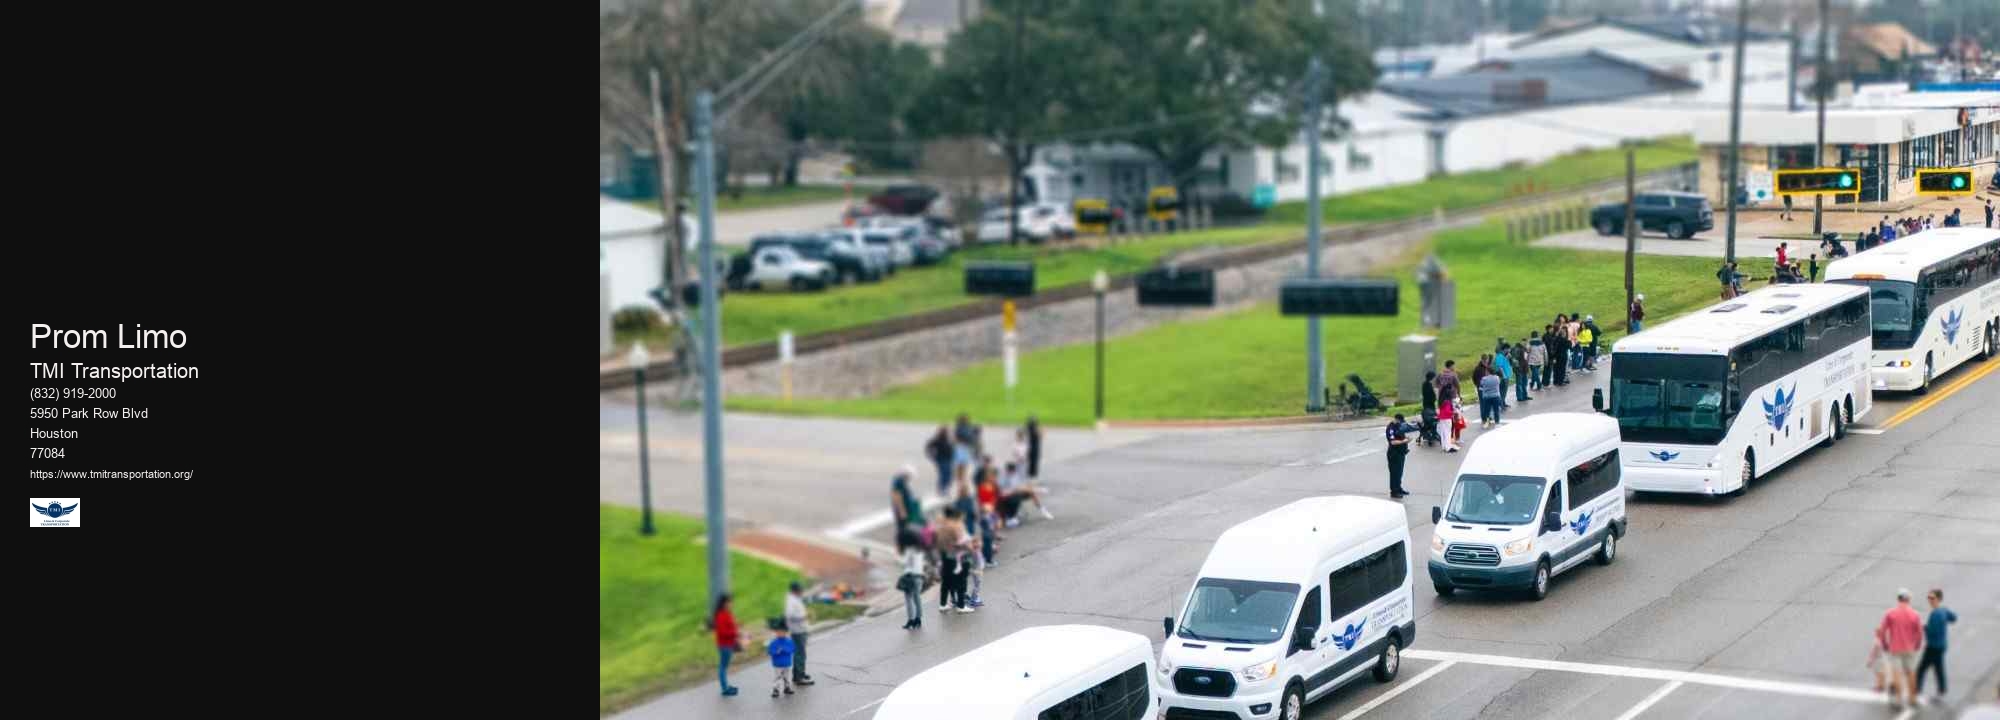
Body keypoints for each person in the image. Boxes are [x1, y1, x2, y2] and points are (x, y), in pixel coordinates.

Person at [1876, 588, 1925, 708]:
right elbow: (1919, 633)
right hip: (1909, 648)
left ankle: (1898, 699)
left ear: (1898, 599)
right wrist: (1917, 645)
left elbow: (1882, 631)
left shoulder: (1890, 613)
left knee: (1896, 673)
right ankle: (1912, 698)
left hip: (1895, 648)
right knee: (1911, 673)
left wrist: (1884, 644)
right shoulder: (1915, 614)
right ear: (1909, 599)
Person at [1917, 588, 1957, 701]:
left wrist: (1922, 627)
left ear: (1939, 599)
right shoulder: (1943, 610)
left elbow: (1932, 631)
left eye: (1932, 598)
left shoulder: (1935, 614)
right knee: (1938, 668)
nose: (1930, 600)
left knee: (1922, 668)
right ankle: (1942, 689)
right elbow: (1954, 618)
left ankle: (1917, 690)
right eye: (1928, 598)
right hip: (1942, 645)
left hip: (1933, 646)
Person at [933, 507, 972, 613]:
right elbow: (961, 541)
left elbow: (938, 542)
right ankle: (961, 605)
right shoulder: (954, 526)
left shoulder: (941, 527)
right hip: (956, 556)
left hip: (945, 556)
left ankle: (943, 604)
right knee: (961, 581)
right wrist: (970, 548)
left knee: (946, 581)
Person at [783, 581, 814, 686]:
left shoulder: (794, 599)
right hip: (797, 630)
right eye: (800, 590)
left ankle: (800, 673)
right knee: (800, 653)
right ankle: (798, 677)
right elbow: (790, 615)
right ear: (795, 590)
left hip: (800, 629)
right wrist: (803, 617)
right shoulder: (791, 601)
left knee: (801, 653)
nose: (802, 591)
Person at [711, 594, 743, 696]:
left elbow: (730, 625)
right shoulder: (721, 615)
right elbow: (722, 632)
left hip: (728, 644)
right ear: (724, 603)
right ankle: (725, 689)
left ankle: (726, 687)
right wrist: (735, 633)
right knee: (723, 667)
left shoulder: (726, 613)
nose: (731, 604)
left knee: (724, 666)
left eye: (731, 602)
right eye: (729, 602)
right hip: (725, 645)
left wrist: (737, 625)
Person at [896, 529, 926, 629]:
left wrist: (898, 556)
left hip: (910, 577)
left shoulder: (909, 550)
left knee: (909, 599)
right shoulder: (919, 550)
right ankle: (918, 619)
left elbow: (903, 563)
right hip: (919, 576)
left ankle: (911, 620)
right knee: (917, 598)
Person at [766, 620, 796, 698]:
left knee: (787, 676)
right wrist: (776, 652)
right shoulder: (773, 642)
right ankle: (776, 690)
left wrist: (785, 650)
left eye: (782, 632)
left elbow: (793, 649)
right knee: (777, 677)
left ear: (786, 632)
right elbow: (769, 651)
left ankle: (787, 688)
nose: (780, 633)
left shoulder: (789, 641)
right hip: (777, 664)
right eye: (778, 632)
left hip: (787, 663)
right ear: (776, 633)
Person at [890, 468, 923, 536]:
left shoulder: (902, 482)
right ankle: (902, 540)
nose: (910, 479)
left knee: (905, 526)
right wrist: (902, 511)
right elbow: (897, 497)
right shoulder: (898, 483)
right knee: (902, 526)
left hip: (906, 508)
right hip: (902, 510)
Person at [1384, 413, 1411, 498]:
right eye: (1400, 421)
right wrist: (1405, 441)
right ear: (1396, 419)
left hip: (1401, 453)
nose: (1401, 423)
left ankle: (1399, 488)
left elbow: (1401, 436)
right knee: (1394, 473)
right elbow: (1393, 442)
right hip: (1394, 454)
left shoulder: (1398, 426)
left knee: (1399, 473)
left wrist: (1406, 439)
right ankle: (1394, 491)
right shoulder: (1391, 428)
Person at [925, 427, 953, 496]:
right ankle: (941, 489)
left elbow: (951, 448)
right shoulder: (937, 439)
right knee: (943, 474)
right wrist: (931, 456)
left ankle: (945, 488)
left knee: (948, 475)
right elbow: (928, 447)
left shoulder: (948, 439)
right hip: (941, 459)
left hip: (948, 460)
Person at [1495, 343, 1515, 408]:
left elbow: (1506, 364)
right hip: (1504, 377)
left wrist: (1508, 358)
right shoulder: (1499, 356)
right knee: (1502, 391)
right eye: (1509, 349)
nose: (1510, 350)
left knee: (1504, 391)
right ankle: (1501, 404)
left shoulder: (1504, 356)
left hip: (1506, 376)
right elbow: (1500, 367)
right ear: (1505, 349)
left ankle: (1503, 402)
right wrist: (1504, 376)